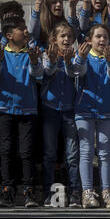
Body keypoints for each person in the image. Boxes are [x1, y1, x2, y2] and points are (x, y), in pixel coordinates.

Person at [0, 17, 43, 208]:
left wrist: (36, 62)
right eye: (21, 30)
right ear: (9, 35)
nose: (26, 32)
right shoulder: (1, 52)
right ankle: (7, 191)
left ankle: (29, 190)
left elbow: (39, 74)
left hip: (27, 109)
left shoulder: (32, 51)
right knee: (6, 151)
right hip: (5, 109)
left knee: (27, 152)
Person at [68, 24, 110, 208]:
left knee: (105, 152)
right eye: (98, 37)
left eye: (105, 37)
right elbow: (76, 72)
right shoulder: (82, 56)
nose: (102, 40)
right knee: (86, 151)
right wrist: (81, 58)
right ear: (89, 40)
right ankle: (88, 192)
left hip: (105, 111)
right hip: (84, 110)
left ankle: (106, 192)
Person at [41, 21, 81, 208]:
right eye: (62, 36)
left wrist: (67, 62)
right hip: (50, 109)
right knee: (49, 153)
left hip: (70, 110)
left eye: (69, 36)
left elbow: (74, 74)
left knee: (72, 154)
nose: (66, 39)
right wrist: (52, 60)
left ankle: (75, 192)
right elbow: (45, 73)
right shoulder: (46, 55)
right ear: (54, 40)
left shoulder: (76, 57)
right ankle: (49, 192)